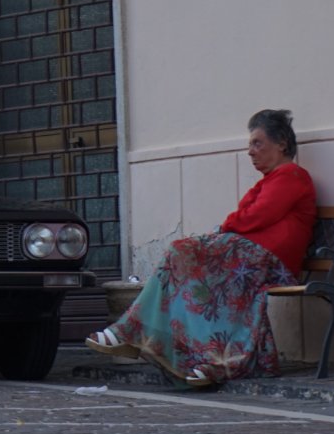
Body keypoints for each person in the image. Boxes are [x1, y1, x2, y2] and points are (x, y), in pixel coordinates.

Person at [87, 109, 316, 387]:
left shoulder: (292, 175)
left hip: (267, 263)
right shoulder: (272, 180)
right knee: (190, 281)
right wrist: (228, 230)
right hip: (248, 260)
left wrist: (226, 227)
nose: (250, 151)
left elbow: (257, 216)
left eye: (257, 143)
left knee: (181, 253)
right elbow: (249, 217)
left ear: (281, 144)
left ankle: (135, 331)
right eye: (250, 145)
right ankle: (203, 358)